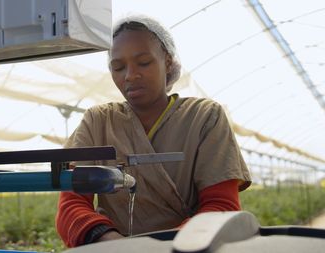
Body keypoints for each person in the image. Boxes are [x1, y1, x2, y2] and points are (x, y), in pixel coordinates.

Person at [55, 15, 251, 248]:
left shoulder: (204, 117)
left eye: (144, 62)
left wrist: (162, 247)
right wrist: (112, 242)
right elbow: (71, 206)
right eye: (118, 67)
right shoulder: (98, 121)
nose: (130, 75)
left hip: (189, 247)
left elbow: (221, 206)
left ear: (168, 61)